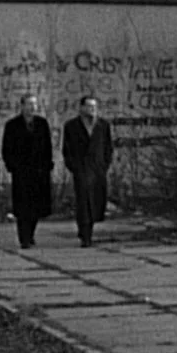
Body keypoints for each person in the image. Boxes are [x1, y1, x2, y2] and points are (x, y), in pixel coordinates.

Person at [0, 94, 54, 249]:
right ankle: (23, 237)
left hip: (39, 171)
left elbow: (47, 146)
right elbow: (7, 148)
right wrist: (12, 166)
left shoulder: (42, 124)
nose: (32, 107)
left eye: (35, 104)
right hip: (22, 172)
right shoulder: (12, 125)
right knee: (23, 206)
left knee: (37, 206)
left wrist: (48, 165)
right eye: (29, 104)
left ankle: (30, 234)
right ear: (22, 106)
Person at [61, 94, 114, 247]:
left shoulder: (103, 125)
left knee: (96, 201)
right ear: (82, 108)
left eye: (94, 107)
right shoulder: (71, 126)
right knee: (83, 202)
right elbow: (67, 148)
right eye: (89, 106)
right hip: (82, 168)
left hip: (98, 169)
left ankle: (87, 228)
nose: (92, 110)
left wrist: (104, 165)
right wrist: (73, 166)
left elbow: (108, 147)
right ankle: (85, 234)